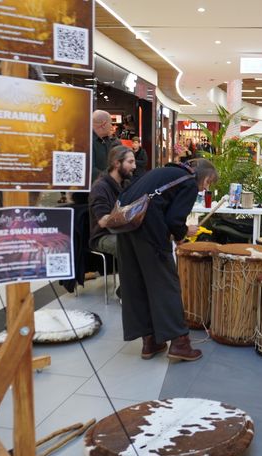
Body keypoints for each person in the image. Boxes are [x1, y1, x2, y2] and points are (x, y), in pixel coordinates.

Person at [117, 158, 219, 362]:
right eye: (208, 183)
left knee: (138, 285)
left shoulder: (164, 171)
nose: (204, 188)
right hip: (150, 234)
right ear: (205, 176)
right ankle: (180, 343)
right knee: (166, 286)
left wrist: (176, 231)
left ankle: (150, 341)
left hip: (126, 230)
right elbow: (174, 220)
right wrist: (182, 233)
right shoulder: (189, 181)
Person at [88, 145, 135, 258]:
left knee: (150, 240)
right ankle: (132, 276)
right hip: (103, 236)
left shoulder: (126, 184)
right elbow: (103, 221)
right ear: (116, 163)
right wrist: (129, 214)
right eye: (130, 162)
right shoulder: (100, 187)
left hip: (123, 232)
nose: (134, 166)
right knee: (134, 246)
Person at [92, 110, 122, 182]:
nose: (111, 126)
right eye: (111, 123)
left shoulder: (107, 140)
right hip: (93, 190)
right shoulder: (87, 142)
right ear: (104, 124)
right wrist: (112, 178)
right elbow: (90, 170)